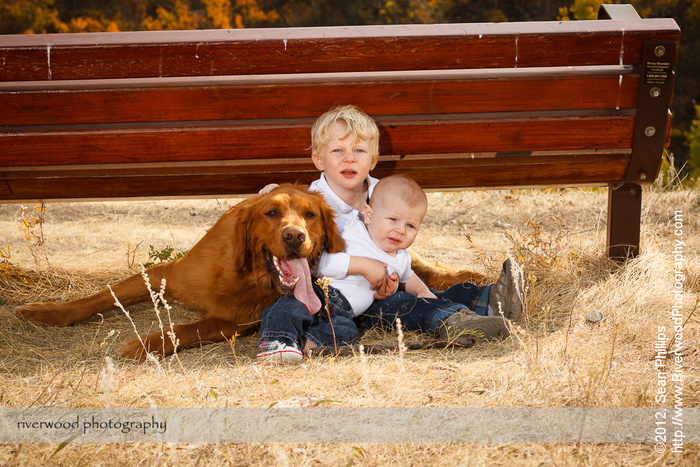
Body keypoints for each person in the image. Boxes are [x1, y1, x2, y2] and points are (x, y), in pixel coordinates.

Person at [257, 105, 523, 362]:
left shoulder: (383, 192)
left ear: (372, 160)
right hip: (333, 292)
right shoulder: (311, 202)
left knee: (415, 301)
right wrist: (365, 266)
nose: (349, 158)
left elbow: (401, 252)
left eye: (359, 150)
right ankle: (291, 341)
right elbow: (312, 262)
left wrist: (400, 280)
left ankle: (484, 303)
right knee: (308, 310)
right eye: (338, 150)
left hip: (377, 294)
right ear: (318, 159)